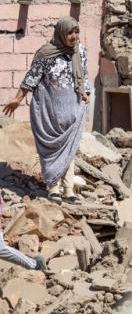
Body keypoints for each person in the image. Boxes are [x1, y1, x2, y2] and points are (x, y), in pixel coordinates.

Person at [2, 17, 90, 203]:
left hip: (72, 110)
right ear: (60, 33)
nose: (74, 37)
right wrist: (18, 99)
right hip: (49, 111)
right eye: (70, 33)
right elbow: (31, 78)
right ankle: (53, 188)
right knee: (50, 149)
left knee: (70, 149)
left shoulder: (79, 51)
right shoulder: (46, 54)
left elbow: (83, 75)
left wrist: (85, 93)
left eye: (76, 32)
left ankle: (68, 190)